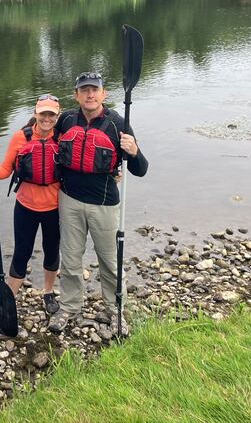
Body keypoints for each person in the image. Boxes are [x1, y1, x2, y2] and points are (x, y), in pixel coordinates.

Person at [48, 72, 148, 336]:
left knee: (109, 261)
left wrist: (133, 151)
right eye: (85, 90)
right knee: (70, 258)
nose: (90, 95)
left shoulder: (117, 123)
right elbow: (46, 141)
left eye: (95, 90)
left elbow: (141, 170)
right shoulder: (66, 119)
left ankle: (115, 310)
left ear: (104, 94)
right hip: (69, 200)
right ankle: (69, 307)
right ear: (76, 95)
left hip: (104, 204)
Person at [0, 94, 62, 315]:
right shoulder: (21, 137)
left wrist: (111, 174)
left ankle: (48, 292)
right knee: (21, 252)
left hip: (54, 208)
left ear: (57, 116)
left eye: (51, 115)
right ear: (35, 113)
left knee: (52, 251)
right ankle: (10, 296)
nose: (47, 118)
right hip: (26, 207)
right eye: (43, 113)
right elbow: (5, 170)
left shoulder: (63, 137)